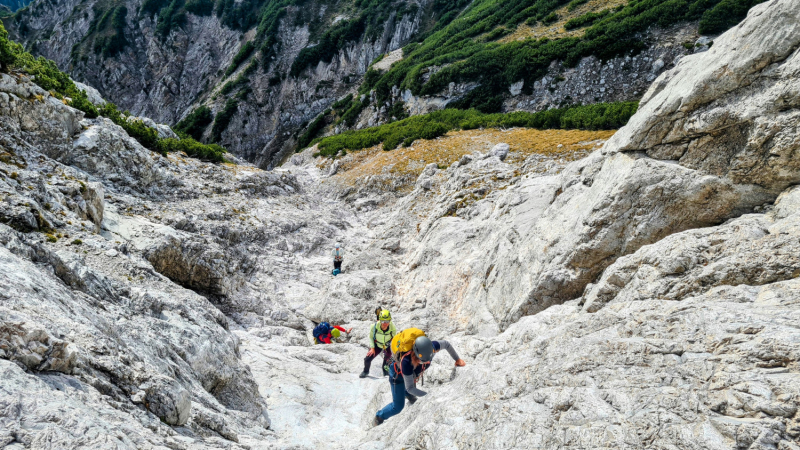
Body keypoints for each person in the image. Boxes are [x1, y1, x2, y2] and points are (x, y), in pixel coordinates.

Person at [373, 336, 466, 426]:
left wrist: (457, 359)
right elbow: (410, 388)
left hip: (411, 374)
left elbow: (446, 344)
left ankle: (407, 395)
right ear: (415, 356)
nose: (425, 363)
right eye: (422, 361)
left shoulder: (430, 348)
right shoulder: (406, 362)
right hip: (397, 376)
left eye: (428, 360)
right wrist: (428, 397)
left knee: (410, 391)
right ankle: (379, 416)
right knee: (397, 407)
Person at [360, 309, 396, 378]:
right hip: (377, 345)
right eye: (383, 321)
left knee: (387, 357)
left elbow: (394, 338)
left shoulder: (392, 327)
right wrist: (372, 348)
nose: (385, 323)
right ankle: (365, 371)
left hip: (387, 345)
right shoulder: (374, 326)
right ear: (379, 320)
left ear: (390, 321)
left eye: (387, 321)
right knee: (367, 359)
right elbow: (371, 337)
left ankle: (384, 369)